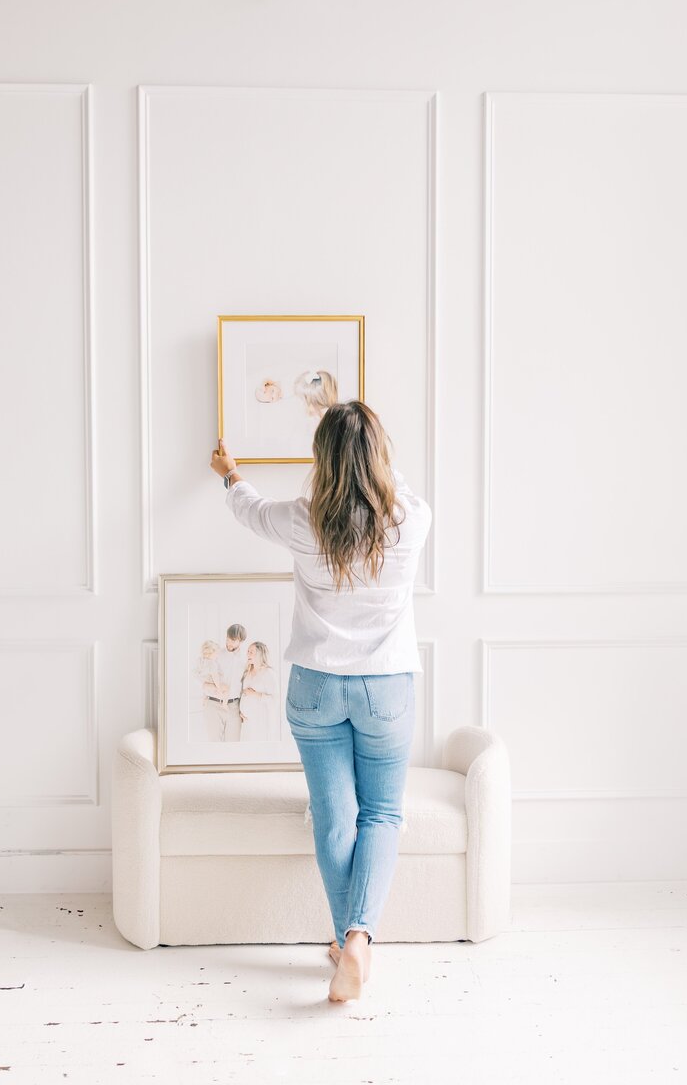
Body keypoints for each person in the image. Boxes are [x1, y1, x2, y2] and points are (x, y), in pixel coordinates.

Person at [209, 400, 432, 1003]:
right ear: (380, 458)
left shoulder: (305, 519)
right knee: (381, 814)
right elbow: (398, 487)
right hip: (386, 687)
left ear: (322, 461)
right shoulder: (411, 519)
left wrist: (229, 472)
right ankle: (358, 939)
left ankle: (344, 947)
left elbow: (249, 509)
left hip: (315, 687)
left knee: (334, 818)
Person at [204, 624, 248, 742]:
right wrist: (215, 687)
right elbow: (204, 678)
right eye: (227, 638)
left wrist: (244, 708)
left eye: (233, 640)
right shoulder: (217, 654)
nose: (229, 643)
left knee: (233, 746)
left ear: (241, 641)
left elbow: (246, 684)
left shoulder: (245, 659)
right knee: (214, 745)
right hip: (213, 704)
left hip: (234, 706)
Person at [239, 641, 277, 741]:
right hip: (246, 721)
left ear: (260, 654)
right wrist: (240, 711)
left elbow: (274, 699)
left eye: (251, 652)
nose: (248, 654)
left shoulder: (268, 673)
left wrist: (254, 694)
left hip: (260, 720)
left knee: (259, 752)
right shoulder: (247, 671)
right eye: (248, 651)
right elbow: (243, 693)